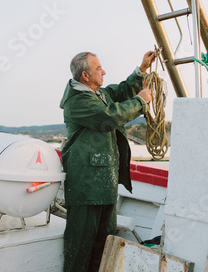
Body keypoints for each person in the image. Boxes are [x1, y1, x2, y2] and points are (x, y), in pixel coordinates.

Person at [59, 51, 155, 272]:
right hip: (85, 185)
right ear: (85, 75)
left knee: (104, 244)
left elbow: (121, 90)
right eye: (98, 68)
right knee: (80, 246)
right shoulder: (78, 101)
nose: (104, 71)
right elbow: (108, 117)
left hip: (105, 184)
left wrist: (141, 69)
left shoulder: (99, 93)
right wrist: (140, 101)